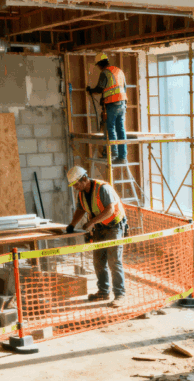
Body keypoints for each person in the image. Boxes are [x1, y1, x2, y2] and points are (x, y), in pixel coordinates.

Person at [66, 166, 128, 308]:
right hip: (100, 228)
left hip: (114, 226)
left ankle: (120, 295)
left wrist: (92, 222)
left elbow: (110, 210)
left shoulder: (102, 189)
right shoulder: (81, 193)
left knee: (114, 262)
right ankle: (103, 291)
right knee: (98, 262)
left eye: (76, 184)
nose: (75, 188)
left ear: (84, 179)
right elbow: (81, 209)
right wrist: (72, 224)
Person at [86, 52, 128, 164]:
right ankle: (122, 156)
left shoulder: (105, 73)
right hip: (122, 103)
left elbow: (100, 88)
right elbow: (123, 87)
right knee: (121, 129)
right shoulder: (119, 71)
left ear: (100, 64)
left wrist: (91, 91)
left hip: (112, 103)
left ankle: (113, 152)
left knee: (111, 127)